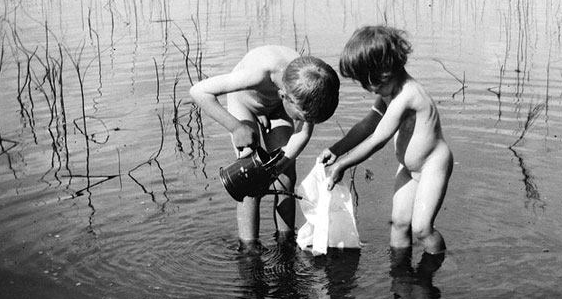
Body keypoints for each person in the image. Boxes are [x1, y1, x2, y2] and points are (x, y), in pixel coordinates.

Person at [319, 26, 453, 255]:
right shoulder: (389, 93)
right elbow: (368, 124)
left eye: (369, 83)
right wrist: (337, 149)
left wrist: (342, 165)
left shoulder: (407, 95)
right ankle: (399, 277)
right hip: (409, 168)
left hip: (432, 165)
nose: (369, 90)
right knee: (399, 225)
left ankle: (439, 262)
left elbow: (378, 139)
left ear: (385, 72)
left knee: (422, 229)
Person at [190, 45, 339, 249]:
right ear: (284, 96)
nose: (301, 121)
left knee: (286, 177)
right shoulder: (259, 74)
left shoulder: (311, 85)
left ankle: (286, 241)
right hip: (245, 103)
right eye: (299, 117)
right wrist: (236, 128)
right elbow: (199, 91)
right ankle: (249, 246)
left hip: (277, 108)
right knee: (250, 176)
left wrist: (279, 167)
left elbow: (303, 132)